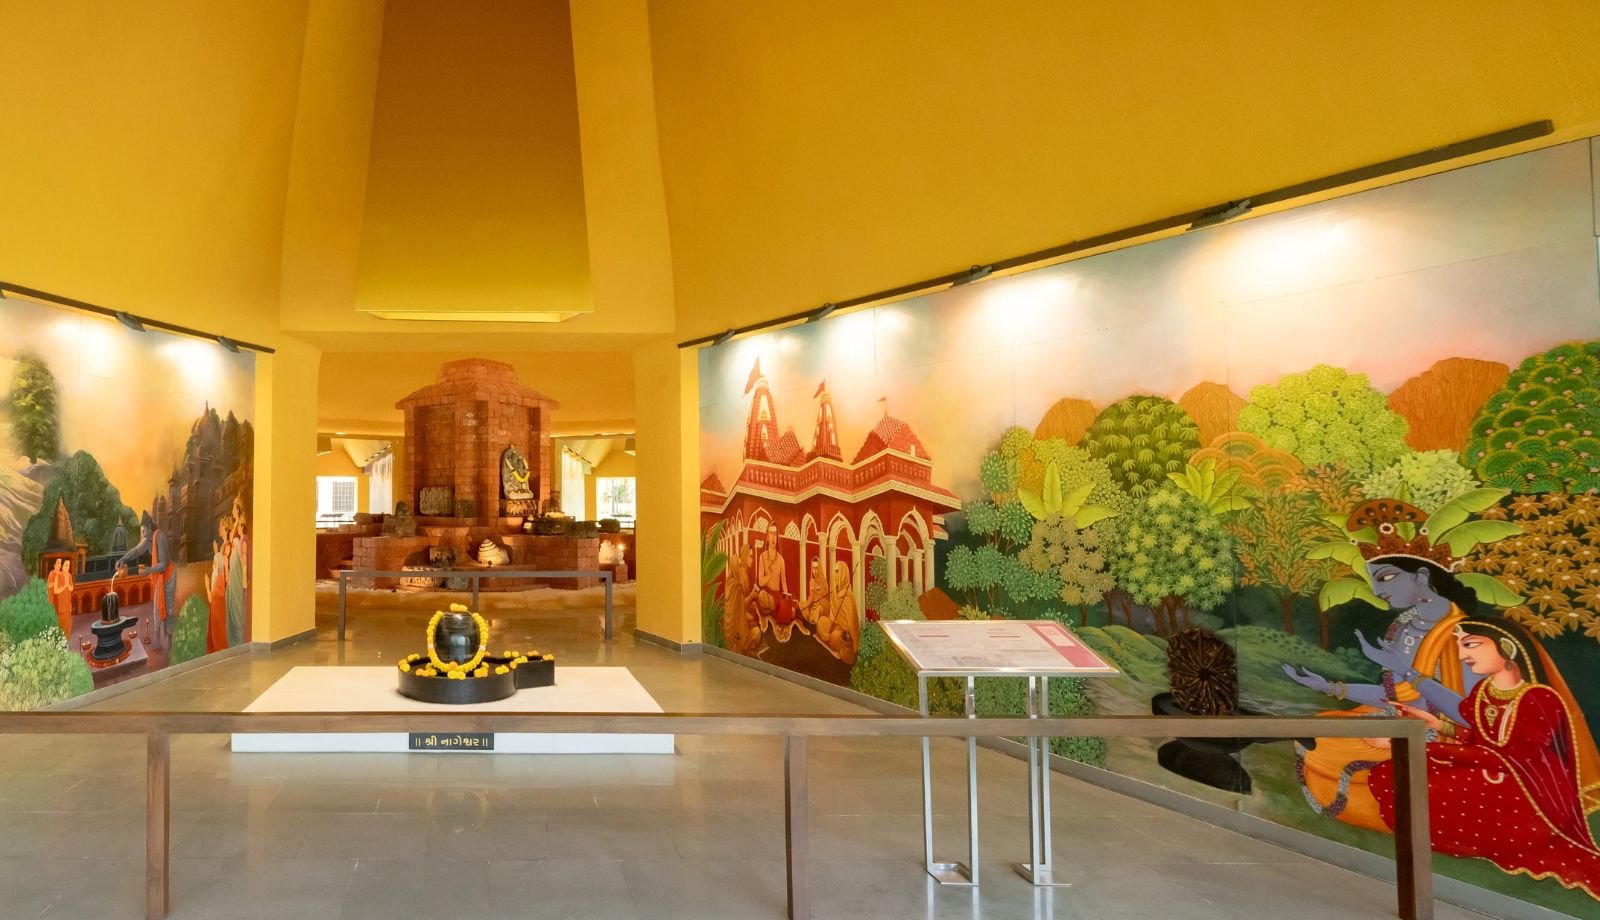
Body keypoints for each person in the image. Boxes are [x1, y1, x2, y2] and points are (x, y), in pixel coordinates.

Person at [1369, 617, 1600, 900]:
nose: (1462, 655)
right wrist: (1437, 725)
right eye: (1459, 646)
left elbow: (1509, 759)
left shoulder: (1540, 699)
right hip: (1489, 774)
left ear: (1507, 647)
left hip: (1529, 795)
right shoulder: (1484, 691)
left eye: (1471, 645)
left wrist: (1419, 746)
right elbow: (1483, 740)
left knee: (1420, 788)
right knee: (1388, 774)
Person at [117, 512, 175, 651]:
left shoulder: (160, 537)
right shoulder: (148, 539)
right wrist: (123, 559)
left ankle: (169, 641)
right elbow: (137, 551)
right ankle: (157, 640)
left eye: (143, 531)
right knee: (156, 608)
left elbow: (163, 565)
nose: (142, 534)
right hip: (159, 577)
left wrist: (149, 570)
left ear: (149, 527)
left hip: (168, 576)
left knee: (169, 609)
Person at [226, 513, 249, 647]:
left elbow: (244, 560)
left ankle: (238, 641)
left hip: (238, 581)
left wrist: (244, 580)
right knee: (232, 609)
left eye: (239, 525)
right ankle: (234, 641)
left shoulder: (241, 541)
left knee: (237, 611)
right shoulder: (237, 542)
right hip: (234, 581)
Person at [206, 535, 229, 654]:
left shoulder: (219, 578)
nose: (212, 565)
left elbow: (212, 598)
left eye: (214, 563)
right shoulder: (217, 576)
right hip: (216, 615)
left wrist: (206, 585)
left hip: (219, 618)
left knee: (219, 639)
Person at [47, 557, 74, 639]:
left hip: (68, 603)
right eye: (66, 565)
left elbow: (71, 588)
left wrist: (68, 586)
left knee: (68, 621)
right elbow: (55, 590)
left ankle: (66, 638)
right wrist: (64, 586)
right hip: (61, 603)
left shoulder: (69, 575)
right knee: (61, 622)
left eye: (68, 565)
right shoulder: (57, 575)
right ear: (62, 566)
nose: (67, 567)